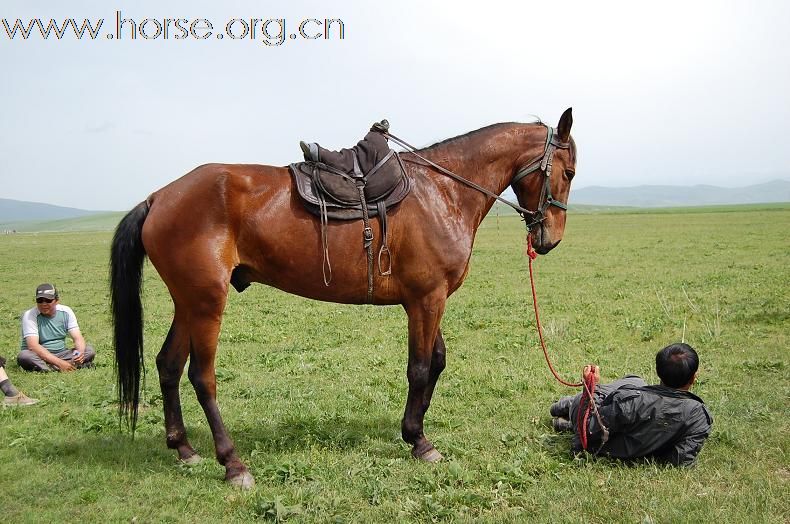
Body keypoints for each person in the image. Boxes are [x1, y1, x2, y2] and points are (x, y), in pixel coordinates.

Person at [550, 343, 713, 466]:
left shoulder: (631, 401)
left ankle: (567, 405)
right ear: (693, 378)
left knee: (590, 399)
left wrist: (590, 387)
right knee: (636, 381)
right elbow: (681, 459)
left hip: (605, 442)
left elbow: (587, 430)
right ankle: (569, 421)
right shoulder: (699, 415)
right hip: (624, 439)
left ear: (658, 372)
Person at [17, 283, 96, 372]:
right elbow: (33, 346)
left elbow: (77, 338)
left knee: (88, 350)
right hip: (39, 355)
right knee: (24, 356)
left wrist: (79, 354)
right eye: (40, 300)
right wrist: (60, 363)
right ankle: (66, 366)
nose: (44, 304)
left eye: (48, 300)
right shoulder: (30, 315)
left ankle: (52, 368)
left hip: (62, 354)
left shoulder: (66, 311)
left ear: (57, 300)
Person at [300, 119, 392, 175]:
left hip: (359, 156)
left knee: (344, 157)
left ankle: (318, 152)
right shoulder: (374, 139)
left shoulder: (376, 141)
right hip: (356, 155)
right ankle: (318, 152)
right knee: (344, 158)